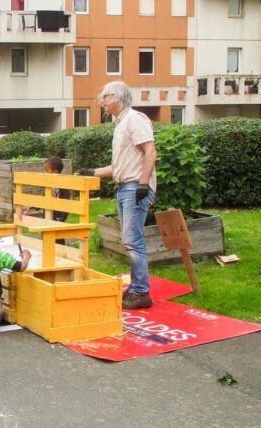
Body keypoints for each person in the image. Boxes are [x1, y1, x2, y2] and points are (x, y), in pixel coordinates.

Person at [76, 81, 157, 310]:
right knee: (129, 240)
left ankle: (141, 292)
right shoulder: (119, 124)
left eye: (106, 96)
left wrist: (143, 185)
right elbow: (118, 166)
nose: (102, 101)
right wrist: (93, 172)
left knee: (132, 240)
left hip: (134, 187)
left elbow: (150, 151)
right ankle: (136, 289)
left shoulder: (135, 120)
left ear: (119, 97)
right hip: (125, 187)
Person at [44, 156, 71, 245]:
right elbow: (44, 199)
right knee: (46, 238)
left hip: (58, 218)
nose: (45, 173)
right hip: (48, 215)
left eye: (46, 170)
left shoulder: (63, 185)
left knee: (58, 240)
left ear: (55, 171)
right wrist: (34, 206)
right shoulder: (49, 184)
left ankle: (60, 255)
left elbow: (66, 203)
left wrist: (62, 218)